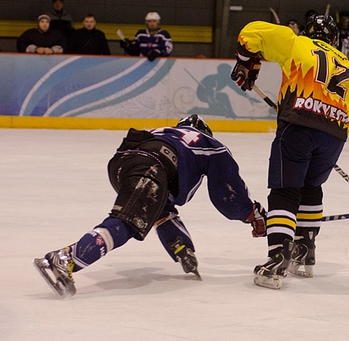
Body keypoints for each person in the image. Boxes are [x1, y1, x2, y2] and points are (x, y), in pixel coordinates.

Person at [33, 115, 267, 297]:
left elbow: (162, 207)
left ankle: (181, 247)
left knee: (153, 205)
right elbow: (228, 194)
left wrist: (184, 250)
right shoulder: (208, 143)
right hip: (152, 166)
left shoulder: (166, 132)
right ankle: (64, 259)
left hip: (122, 163)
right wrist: (251, 213)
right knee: (128, 221)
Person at [231, 14, 349, 289]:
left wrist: (246, 62)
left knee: (285, 191)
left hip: (298, 127)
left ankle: (278, 258)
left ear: (308, 32)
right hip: (335, 134)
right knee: (312, 186)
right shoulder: (344, 62)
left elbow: (250, 32)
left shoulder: (296, 43)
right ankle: (305, 251)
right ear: (335, 40)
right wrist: (327, 132)